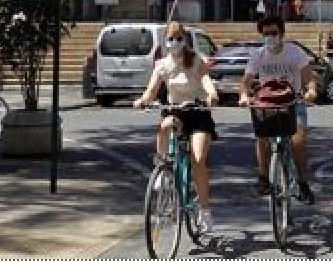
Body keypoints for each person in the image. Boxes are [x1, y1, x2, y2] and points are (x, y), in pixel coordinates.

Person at [134, 21, 220, 234]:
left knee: (198, 159)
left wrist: (211, 94)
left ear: (185, 40)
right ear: (166, 41)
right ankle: (162, 168)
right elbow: (152, 90)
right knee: (165, 124)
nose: (174, 42)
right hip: (175, 110)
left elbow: (206, 79)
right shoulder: (162, 64)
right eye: (170, 38)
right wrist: (143, 100)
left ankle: (205, 210)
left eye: (178, 38)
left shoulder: (195, 60)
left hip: (198, 113)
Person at [239, 15, 319, 204]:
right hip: (268, 104)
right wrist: (243, 95)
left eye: (274, 33)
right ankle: (263, 177)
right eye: (266, 34)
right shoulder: (258, 55)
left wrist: (311, 91)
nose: (270, 37)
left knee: (298, 140)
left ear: (282, 34)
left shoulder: (295, 52)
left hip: (293, 102)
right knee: (261, 138)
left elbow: (309, 77)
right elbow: (245, 82)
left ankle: (301, 182)